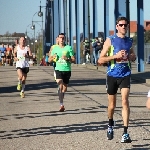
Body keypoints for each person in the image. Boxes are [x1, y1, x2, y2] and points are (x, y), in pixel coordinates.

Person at [98, 16, 136, 143]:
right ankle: (110, 124)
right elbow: (100, 59)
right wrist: (116, 56)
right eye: (121, 25)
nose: (124, 27)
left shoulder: (129, 40)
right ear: (117, 27)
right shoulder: (110, 40)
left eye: (125, 25)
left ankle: (125, 132)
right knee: (112, 106)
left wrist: (131, 56)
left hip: (125, 74)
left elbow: (133, 56)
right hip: (112, 75)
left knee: (125, 101)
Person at [49, 33, 75, 112]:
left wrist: (67, 58)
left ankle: (61, 97)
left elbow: (73, 59)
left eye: (63, 38)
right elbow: (49, 60)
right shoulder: (55, 49)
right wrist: (52, 58)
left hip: (67, 70)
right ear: (58, 39)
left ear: (65, 39)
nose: (62, 39)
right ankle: (61, 104)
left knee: (64, 88)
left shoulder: (68, 48)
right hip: (58, 69)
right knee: (60, 85)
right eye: (60, 38)